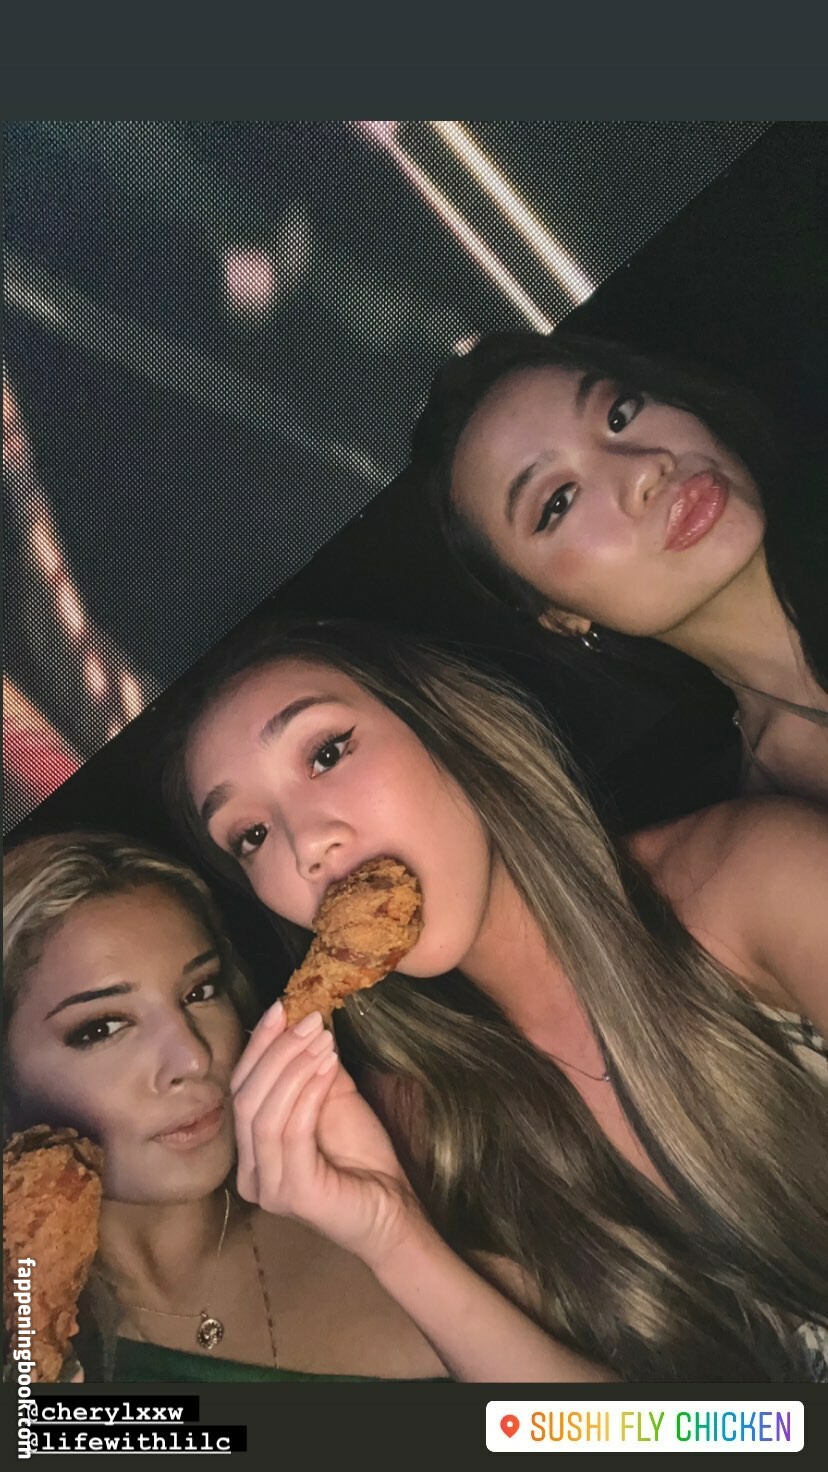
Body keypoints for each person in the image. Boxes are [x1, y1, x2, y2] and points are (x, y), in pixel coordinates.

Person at [162, 616, 828, 1383]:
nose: (304, 847)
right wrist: (392, 1238)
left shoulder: (756, 880)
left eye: (327, 753)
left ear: (445, 725)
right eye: (248, 835)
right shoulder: (419, 1122)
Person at [3, 831, 619, 1385]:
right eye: (103, 1027)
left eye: (200, 991)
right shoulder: (27, 1345)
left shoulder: (420, 1166)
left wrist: (395, 1239)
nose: (192, 1057)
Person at [410, 330, 828, 804]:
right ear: (560, 615)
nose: (644, 468)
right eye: (559, 501)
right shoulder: (774, 823)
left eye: (619, 415)